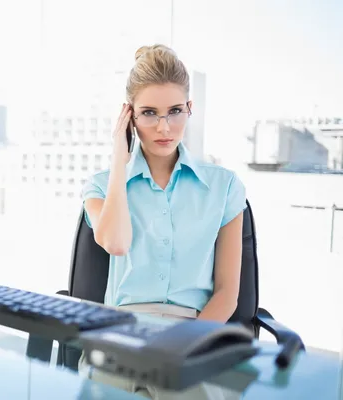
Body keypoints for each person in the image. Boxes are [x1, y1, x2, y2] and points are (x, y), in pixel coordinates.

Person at [78, 44, 247, 398]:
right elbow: (116, 242)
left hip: (195, 336)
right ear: (130, 117)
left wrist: (184, 351)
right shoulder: (100, 186)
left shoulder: (225, 186)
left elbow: (227, 294)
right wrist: (119, 158)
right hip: (120, 336)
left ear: (190, 109)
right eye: (148, 113)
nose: (163, 126)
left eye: (174, 111)